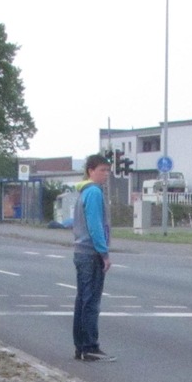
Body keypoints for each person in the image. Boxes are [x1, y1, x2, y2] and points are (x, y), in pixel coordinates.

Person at [72, 154, 115, 361]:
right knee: (91, 303)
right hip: (91, 253)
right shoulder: (95, 193)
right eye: (102, 170)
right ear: (90, 171)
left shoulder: (83, 193)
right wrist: (104, 253)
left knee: (82, 300)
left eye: (108, 170)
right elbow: (96, 225)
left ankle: (81, 346)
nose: (106, 174)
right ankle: (90, 346)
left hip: (80, 252)